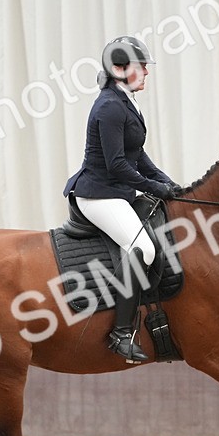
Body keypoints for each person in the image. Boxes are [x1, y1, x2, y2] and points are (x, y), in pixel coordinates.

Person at [63, 35, 182, 363]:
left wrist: (171, 185)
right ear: (119, 69)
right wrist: (154, 189)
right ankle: (120, 333)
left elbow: (137, 155)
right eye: (140, 65)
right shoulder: (110, 106)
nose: (146, 71)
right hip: (98, 194)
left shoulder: (126, 100)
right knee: (142, 248)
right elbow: (117, 164)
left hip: (117, 191)